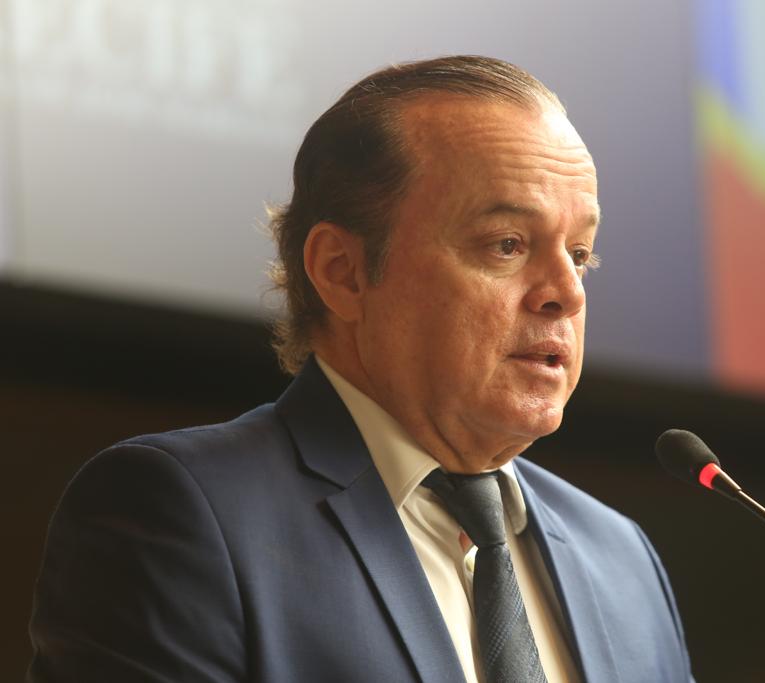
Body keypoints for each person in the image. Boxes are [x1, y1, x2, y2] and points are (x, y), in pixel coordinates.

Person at [28, 55, 694, 682]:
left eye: (579, 254)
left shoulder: (622, 560)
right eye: (507, 244)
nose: (567, 293)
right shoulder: (184, 514)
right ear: (342, 272)